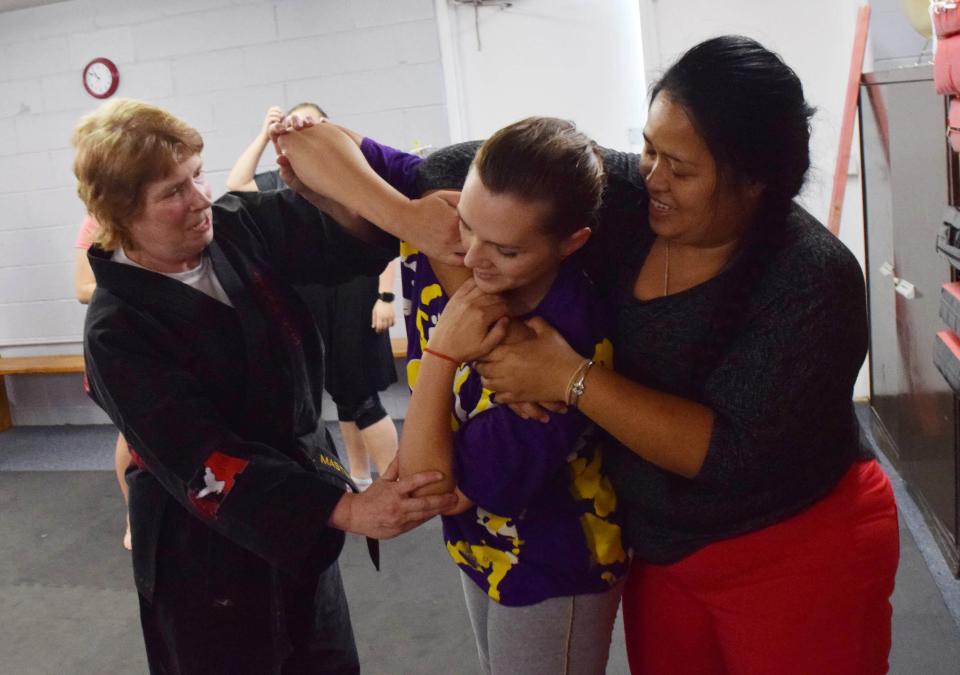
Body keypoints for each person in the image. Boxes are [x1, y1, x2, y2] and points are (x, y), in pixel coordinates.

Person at [273, 34, 900, 675]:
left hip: (793, 544)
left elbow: (728, 453)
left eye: (681, 168)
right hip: (661, 543)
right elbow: (335, 150)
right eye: (651, 148)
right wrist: (410, 220)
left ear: (755, 182)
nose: (653, 175)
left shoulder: (811, 277)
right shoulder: (620, 194)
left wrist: (569, 377)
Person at [72, 98, 458, 675]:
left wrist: (327, 167)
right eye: (172, 192)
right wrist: (345, 510)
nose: (200, 198)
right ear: (120, 215)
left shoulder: (237, 226)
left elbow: (350, 237)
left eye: (196, 174)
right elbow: (204, 462)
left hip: (300, 515)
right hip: (205, 553)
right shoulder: (117, 329)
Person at [277, 116, 627, 675]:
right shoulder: (440, 214)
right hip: (478, 549)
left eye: (507, 251)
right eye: (467, 224)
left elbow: (433, 485)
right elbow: (299, 139)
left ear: (571, 244)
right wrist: (407, 216)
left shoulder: (559, 341)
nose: (473, 256)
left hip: (552, 565)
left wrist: (442, 355)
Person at [226, 103, 400, 490]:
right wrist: (264, 135)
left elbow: (386, 229)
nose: (301, 130)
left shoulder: (348, 170)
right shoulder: (280, 180)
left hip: (356, 296)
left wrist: (385, 297)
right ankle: (359, 475)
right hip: (317, 299)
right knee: (342, 396)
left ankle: (395, 478)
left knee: (360, 394)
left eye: (311, 125)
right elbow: (238, 185)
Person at [74, 214, 134, 550]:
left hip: (173, 334)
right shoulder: (96, 223)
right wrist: (139, 280)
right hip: (122, 339)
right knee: (132, 432)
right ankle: (134, 514)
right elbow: (82, 289)